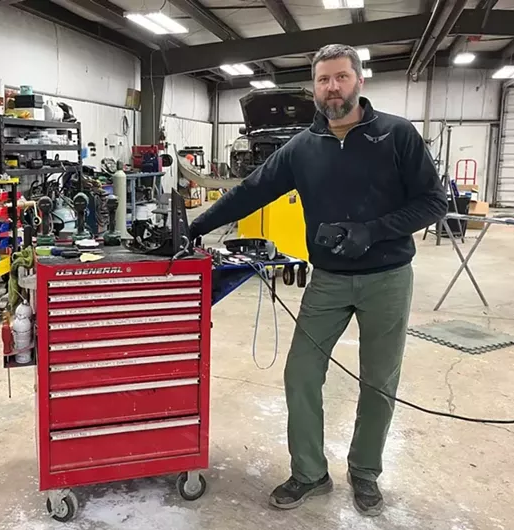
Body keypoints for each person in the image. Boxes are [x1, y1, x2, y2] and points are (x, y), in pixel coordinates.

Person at [189, 44, 447, 516]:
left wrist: (372, 231)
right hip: (328, 279)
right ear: (315, 87)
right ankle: (309, 472)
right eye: (324, 79)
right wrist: (196, 225)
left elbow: (433, 202)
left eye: (342, 77)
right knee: (301, 374)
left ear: (359, 81)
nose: (333, 88)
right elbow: (251, 190)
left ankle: (365, 472)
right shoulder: (302, 147)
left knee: (378, 382)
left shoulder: (396, 134)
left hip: (387, 278)